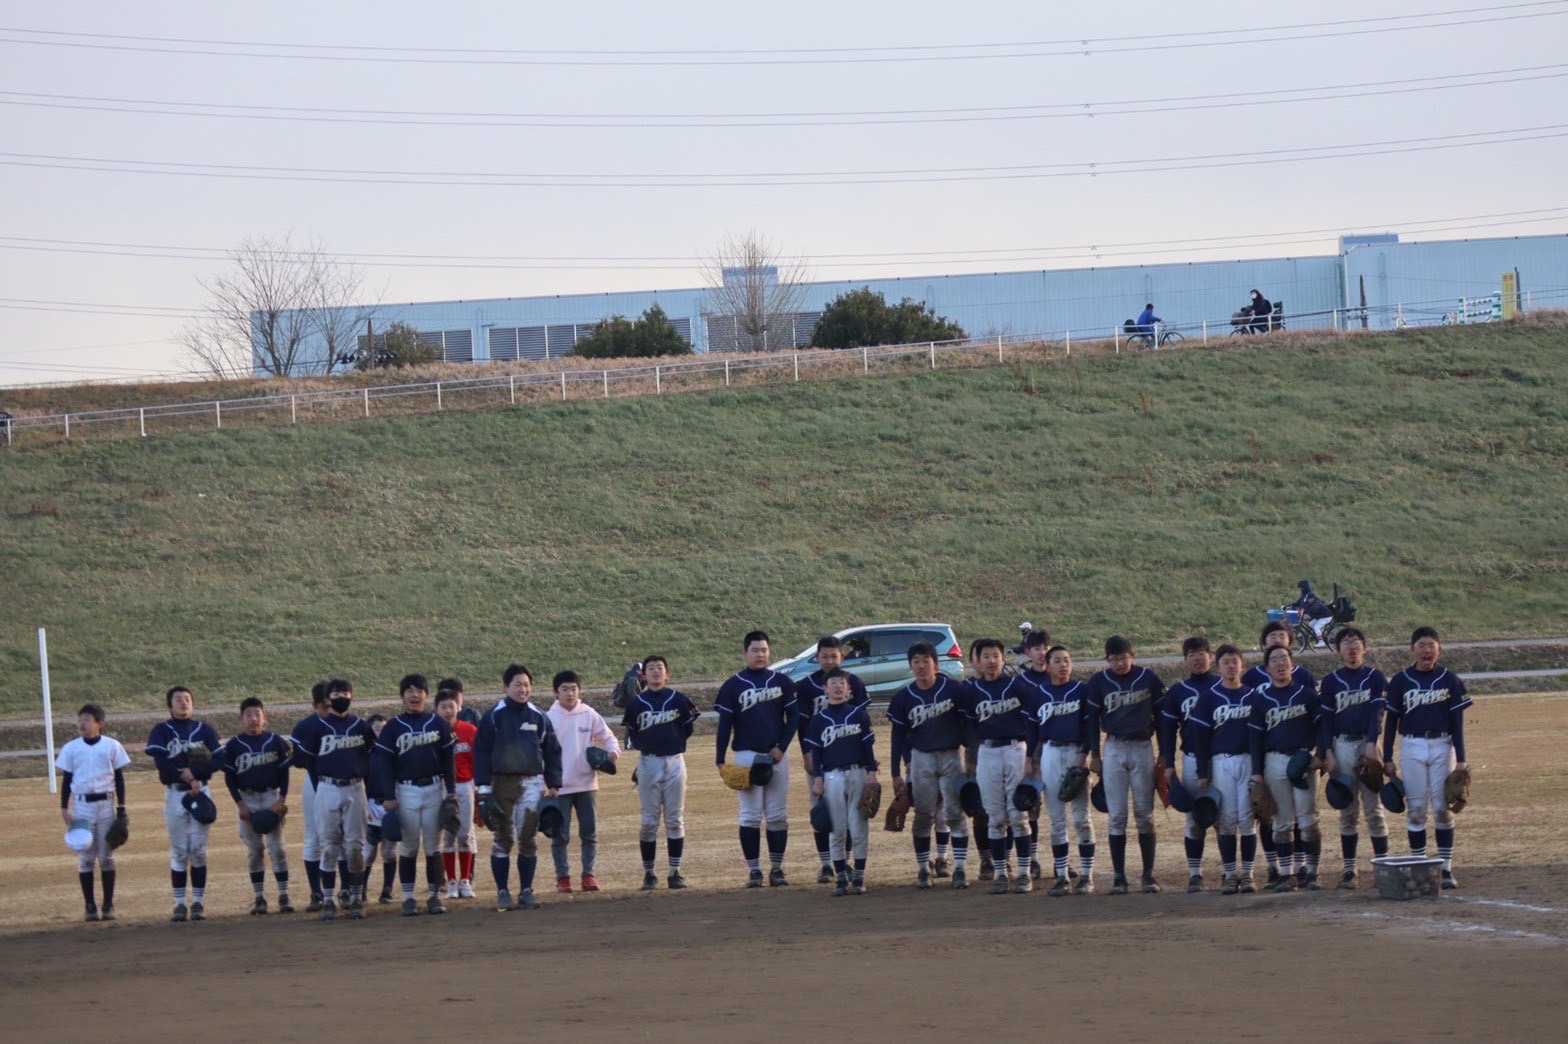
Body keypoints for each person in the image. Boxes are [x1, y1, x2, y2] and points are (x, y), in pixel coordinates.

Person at [1381, 627, 1471, 889]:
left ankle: (1445, 869)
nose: (1426, 650)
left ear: (1439, 649)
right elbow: (1391, 722)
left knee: (1443, 809)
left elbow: (1457, 723)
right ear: (1412, 650)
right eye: (1421, 645)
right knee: (1417, 809)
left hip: (1443, 745)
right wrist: (1387, 756)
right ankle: (1420, 868)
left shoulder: (1449, 680)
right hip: (1412, 745)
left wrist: (1462, 760)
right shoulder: (1401, 680)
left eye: (1431, 645)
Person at [473, 664, 563, 911]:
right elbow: (481, 752)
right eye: (517, 684)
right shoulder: (494, 715)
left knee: (528, 839)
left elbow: (552, 751)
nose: (523, 689)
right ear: (506, 687)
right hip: (501, 784)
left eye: (526, 684)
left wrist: (553, 783)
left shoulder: (538, 716)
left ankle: (526, 891)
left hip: (531, 783)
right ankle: (502, 892)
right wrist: (482, 787)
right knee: (503, 838)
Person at [714, 630, 799, 887]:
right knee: (750, 815)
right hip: (746, 756)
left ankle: (776, 869)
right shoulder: (733, 685)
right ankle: (754, 871)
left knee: (776, 815)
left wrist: (782, 747)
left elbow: (793, 718)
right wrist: (720, 759)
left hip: (776, 756)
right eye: (755, 650)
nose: (760, 654)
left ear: (769, 651)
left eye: (764, 650)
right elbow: (724, 724)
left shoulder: (782, 681)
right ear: (744, 652)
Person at [886, 640, 971, 889]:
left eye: (926, 660)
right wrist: (896, 771)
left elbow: (969, 724)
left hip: (951, 756)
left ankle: (959, 869)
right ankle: (923, 869)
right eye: (916, 661)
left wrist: (973, 758)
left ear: (936, 663)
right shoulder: (904, 697)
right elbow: (897, 736)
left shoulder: (954, 690)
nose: (922, 666)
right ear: (910, 666)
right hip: (920, 758)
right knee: (923, 815)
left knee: (955, 813)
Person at [1085, 636, 1166, 894]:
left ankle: (1148, 874)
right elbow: (1091, 720)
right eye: (1114, 658)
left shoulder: (1147, 677)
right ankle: (1119, 876)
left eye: (1124, 657)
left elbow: (1162, 716)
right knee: (1117, 816)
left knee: (1145, 814)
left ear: (1133, 655)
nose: (1120, 663)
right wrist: (1095, 755)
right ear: (1106, 659)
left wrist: (1164, 752)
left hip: (1142, 746)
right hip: (1115, 747)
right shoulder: (1099, 681)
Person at [958, 637, 1038, 895]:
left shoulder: (1018, 687)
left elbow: (1034, 720)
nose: (992, 661)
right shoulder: (971, 692)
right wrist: (970, 758)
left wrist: (1031, 756)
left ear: (1004, 659)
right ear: (977, 662)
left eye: (996, 656)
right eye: (986, 656)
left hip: (1015, 749)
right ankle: (1001, 873)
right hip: (987, 753)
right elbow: (969, 726)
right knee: (995, 818)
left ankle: (1025, 873)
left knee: (1019, 815)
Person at [373, 673, 457, 917]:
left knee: (433, 845)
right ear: (402, 697)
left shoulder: (437, 723)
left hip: (433, 788)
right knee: (408, 846)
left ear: (426, 695)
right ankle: (408, 898)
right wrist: (389, 795)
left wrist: (450, 792)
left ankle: (432, 896)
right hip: (405, 790)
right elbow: (385, 765)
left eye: (419, 690)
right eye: (409, 691)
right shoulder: (394, 728)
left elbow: (448, 761)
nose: (414, 695)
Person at [1244, 621, 1316, 887]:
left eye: (1283, 654)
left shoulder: (1306, 687)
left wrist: (1318, 753)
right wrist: (1257, 771)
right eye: (1271, 638)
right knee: (1277, 818)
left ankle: (1306, 870)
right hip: (1272, 757)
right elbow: (1255, 733)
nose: (1279, 661)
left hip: (1301, 756)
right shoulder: (1255, 687)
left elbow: (1318, 723)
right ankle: (1280, 870)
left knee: (1306, 817)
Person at [794, 636, 871, 883]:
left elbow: (862, 722)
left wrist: (869, 767)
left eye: (834, 655)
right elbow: (802, 725)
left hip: (851, 759)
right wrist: (807, 755)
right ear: (817, 658)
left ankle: (846, 863)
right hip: (822, 759)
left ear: (842, 657)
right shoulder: (806, 686)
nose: (829, 660)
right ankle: (827, 864)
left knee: (853, 819)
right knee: (825, 813)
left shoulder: (853, 682)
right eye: (825, 656)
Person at [1317, 627, 1389, 888]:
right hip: (1342, 745)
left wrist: (1371, 744)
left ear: (1365, 648)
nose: (1351, 647)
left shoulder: (1375, 677)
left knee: (1374, 810)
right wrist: (1327, 752)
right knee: (1348, 810)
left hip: (1367, 743)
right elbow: (1325, 720)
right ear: (1338, 651)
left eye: (1356, 642)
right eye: (1346, 643)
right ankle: (1350, 871)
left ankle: (1383, 867)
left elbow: (1377, 713)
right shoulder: (1331, 681)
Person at [146, 685, 223, 923]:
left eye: (187, 699)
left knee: (198, 850)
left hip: (201, 791)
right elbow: (161, 762)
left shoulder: (204, 730)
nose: (183, 703)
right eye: (178, 700)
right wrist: (186, 776)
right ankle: (179, 904)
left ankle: (198, 902)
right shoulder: (162, 730)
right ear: (170, 706)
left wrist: (196, 772)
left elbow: (219, 759)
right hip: (175, 794)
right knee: (179, 851)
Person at [300, 678, 375, 920]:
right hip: (327, 787)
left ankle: (354, 897)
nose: (341, 696)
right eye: (336, 692)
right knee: (329, 846)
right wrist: (319, 786)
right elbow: (310, 761)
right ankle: (329, 899)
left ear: (352, 696)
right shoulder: (319, 728)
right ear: (327, 698)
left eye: (345, 692)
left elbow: (371, 758)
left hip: (355, 787)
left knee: (354, 847)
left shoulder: (360, 726)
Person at [622, 654, 699, 889]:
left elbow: (688, 728)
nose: (656, 672)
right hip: (648, 762)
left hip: (675, 760)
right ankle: (650, 873)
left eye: (660, 668)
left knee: (675, 820)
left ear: (667, 674)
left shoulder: (678, 699)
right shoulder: (636, 704)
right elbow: (633, 734)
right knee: (648, 821)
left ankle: (674, 872)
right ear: (643, 675)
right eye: (651, 669)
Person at [1190, 644, 1261, 893]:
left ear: (1243, 665)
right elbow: (1199, 737)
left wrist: (1259, 770)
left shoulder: (1253, 696)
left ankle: (1249, 874)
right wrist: (1202, 771)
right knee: (1227, 819)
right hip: (1220, 761)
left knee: (1248, 819)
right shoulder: (1209, 696)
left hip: (1248, 761)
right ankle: (1230, 874)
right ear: (1217, 667)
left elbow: (1259, 737)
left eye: (1235, 661)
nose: (1231, 666)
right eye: (1225, 662)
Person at [1026, 646, 1097, 896]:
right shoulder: (1039, 693)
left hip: (1075, 752)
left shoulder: (1081, 690)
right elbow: (1033, 730)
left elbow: (1090, 727)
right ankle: (1062, 876)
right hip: (1049, 753)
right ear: (1048, 664)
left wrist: (1084, 755)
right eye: (1057, 661)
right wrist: (1029, 758)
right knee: (1056, 820)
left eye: (1067, 660)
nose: (1063, 665)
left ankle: (1087, 876)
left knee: (1081, 817)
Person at [802, 670, 879, 895]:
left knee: (858, 826)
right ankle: (841, 880)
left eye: (842, 683)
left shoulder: (858, 715)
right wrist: (818, 779)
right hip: (832, 776)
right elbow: (816, 753)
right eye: (833, 683)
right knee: (836, 829)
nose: (837, 686)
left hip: (856, 772)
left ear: (849, 689)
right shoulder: (818, 720)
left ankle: (859, 878)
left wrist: (872, 772)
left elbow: (867, 747)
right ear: (825, 689)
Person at [545, 669, 621, 894]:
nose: (570, 694)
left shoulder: (588, 713)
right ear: (555, 692)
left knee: (589, 832)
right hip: (559, 786)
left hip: (587, 784)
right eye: (565, 689)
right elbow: (541, 753)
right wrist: (546, 784)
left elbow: (608, 737)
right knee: (560, 835)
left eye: (574, 689)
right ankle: (563, 877)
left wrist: (613, 752)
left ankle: (588, 875)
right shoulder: (548, 718)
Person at [220, 697, 293, 916]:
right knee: (255, 851)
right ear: (241, 719)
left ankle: (283, 895)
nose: (253, 719)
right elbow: (230, 778)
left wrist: (282, 799)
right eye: (249, 715)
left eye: (257, 714)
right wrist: (240, 804)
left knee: (277, 848)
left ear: (265, 717)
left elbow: (284, 772)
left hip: (271, 796)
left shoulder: (275, 741)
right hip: (247, 798)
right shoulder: (234, 746)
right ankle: (259, 898)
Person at [57, 704, 130, 922]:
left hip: (106, 804)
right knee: (86, 857)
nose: (82, 723)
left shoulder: (112, 746)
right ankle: (89, 905)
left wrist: (122, 807)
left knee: (106, 856)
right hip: (81, 806)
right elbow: (67, 779)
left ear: (99, 723)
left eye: (87, 719)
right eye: (80, 719)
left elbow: (119, 778)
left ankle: (108, 905)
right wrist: (63, 807)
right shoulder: (71, 748)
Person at [1159, 637, 1219, 892]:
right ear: (1185, 660)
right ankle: (1195, 873)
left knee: (1226, 817)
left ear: (1211, 656)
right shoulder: (1178, 691)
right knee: (1195, 817)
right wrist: (1169, 763)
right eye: (1192, 654)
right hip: (1193, 758)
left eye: (1202, 653)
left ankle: (1232, 871)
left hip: (1224, 758)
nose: (1197, 658)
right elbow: (1167, 730)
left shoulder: (1223, 685)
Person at [289, 682, 333, 911]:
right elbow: (297, 759)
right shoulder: (306, 726)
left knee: (343, 841)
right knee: (314, 839)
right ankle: (316, 893)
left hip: (344, 786)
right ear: (315, 706)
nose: (329, 709)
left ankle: (346, 891)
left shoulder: (346, 723)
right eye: (325, 706)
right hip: (314, 784)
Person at [434, 689, 479, 898]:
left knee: (465, 834)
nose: (448, 710)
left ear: (458, 707)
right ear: (436, 710)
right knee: (449, 835)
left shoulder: (469, 730)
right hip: (441, 787)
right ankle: (451, 881)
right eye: (443, 706)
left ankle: (465, 881)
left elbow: (477, 761)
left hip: (464, 785)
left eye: (451, 706)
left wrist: (479, 787)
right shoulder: (432, 732)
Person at [363, 714, 399, 903]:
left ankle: (387, 890)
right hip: (370, 804)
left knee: (388, 851)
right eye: (377, 728)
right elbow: (361, 782)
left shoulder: (393, 753)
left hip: (389, 805)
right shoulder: (365, 754)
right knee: (367, 853)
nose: (381, 732)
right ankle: (362, 888)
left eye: (384, 728)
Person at [1290, 580, 1334, 645]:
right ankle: (1316, 635)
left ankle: (1321, 641)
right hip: (1317, 616)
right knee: (1310, 624)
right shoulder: (1303, 596)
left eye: (1301, 588)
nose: (1300, 589)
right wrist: (1289, 606)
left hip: (1323, 616)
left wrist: (1303, 610)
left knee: (1315, 626)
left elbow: (1312, 609)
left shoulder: (1313, 598)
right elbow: (1298, 604)